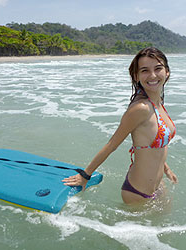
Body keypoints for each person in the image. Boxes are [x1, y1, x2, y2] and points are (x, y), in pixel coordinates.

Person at [63, 47, 178, 205]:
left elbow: (154, 146)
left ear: (167, 72)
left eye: (158, 68)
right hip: (138, 192)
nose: (152, 75)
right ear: (136, 76)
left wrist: (166, 169)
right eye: (145, 70)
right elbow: (112, 144)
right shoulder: (140, 109)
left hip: (158, 186)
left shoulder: (158, 104)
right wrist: (85, 175)